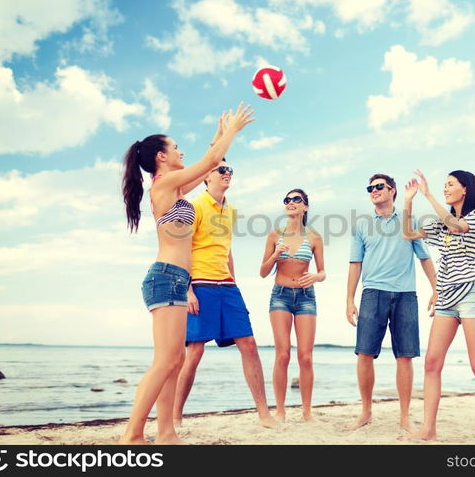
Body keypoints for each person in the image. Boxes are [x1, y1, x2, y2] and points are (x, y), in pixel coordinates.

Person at [118, 102, 254, 444]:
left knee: (175, 359)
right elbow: (210, 164)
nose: (181, 150)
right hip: (165, 277)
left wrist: (220, 135)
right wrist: (233, 131)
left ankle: (166, 432)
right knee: (165, 361)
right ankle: (132, 435)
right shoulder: (163, 186)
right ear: (161, 157)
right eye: (175, 146)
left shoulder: (176, 188)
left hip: (176, 280)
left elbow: (207, 162)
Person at [172, 160, 279, 429]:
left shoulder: (230, 211)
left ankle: (264, 414)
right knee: (195, 351)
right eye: (221, 170)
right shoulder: (193, 206)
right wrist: (187, 290)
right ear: (207, 176)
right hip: (200, 284)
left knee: (249, 344)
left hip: (227, 286)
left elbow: (227, 250)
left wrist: (234, 281)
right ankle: (175, 417)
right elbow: (181, 248)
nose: (227, 173)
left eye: (230, 170)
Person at [402, 169, 475, 444]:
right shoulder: (440, 223)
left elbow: (457, 226)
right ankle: (428, 429)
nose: (445, 188)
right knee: (432, 363)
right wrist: (409, 201)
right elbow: (407, 234)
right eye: (443, 185)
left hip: (472, 293)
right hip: (446, 298)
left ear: (465, 189)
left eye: (450, 184)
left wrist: (428, 194)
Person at [346, 173, 438, 432]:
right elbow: (355, 264)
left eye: (379, 187)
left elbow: (424, 258)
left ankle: (405, 416)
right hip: (373, 293)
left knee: (405, 356)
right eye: (370, 188)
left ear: (393, 191)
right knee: (364, 353)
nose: (373, 191)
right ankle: (366, 412)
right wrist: (349, 300)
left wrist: (436, 289)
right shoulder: (362, 225)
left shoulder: (409, 222)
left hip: (406, 294)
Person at [260, 189, 325, 422]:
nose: (291, 203)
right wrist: (275, 254)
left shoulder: (315, 237)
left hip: (306, 297)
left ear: (305, 206)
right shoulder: (274, 235)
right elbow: (263, 272)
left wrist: (317, 277)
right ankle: (280, 410)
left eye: (296, 199)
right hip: (280, 296)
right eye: (287, 200)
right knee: (283, 355)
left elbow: (323, 271)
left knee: (306, 357)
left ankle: (307, 412)